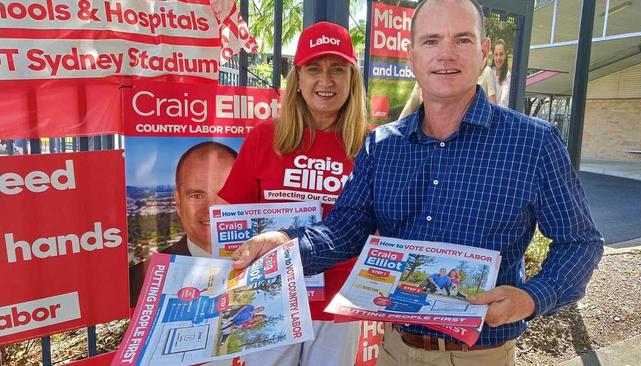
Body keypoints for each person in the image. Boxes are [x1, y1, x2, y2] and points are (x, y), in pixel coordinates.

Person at [231, 1, 604, 365]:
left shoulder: (534, 143)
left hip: (481, 355)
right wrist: (288, 243)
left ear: (484, 51)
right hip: (395, 348)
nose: (446, 54)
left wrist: (532, 297)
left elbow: (580, 242)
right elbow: (346, 228)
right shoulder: (382, 146)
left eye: (462, 39)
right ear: (412, 56)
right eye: (431, 41)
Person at [217, 21, 367, 366]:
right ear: (297, 78)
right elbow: (229, 220)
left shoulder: (369, 146)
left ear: (351, 79)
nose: (325, 81)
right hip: (269, 297)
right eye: (313, 69)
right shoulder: (264, 138)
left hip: (338, 302)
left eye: (337, 70)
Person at [128, 141, 237, 306]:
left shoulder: (270, 262)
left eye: (226, 194)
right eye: (197, 195)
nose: (213, 209)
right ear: (178, 203)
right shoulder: (138, 282)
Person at [492, 38, 511, 107]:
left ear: (505, 55)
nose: (498, 58)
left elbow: (504, 101)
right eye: (496, 54)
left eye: (501, 54)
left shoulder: (508, 76)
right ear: (493, 56)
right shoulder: (489, 73)